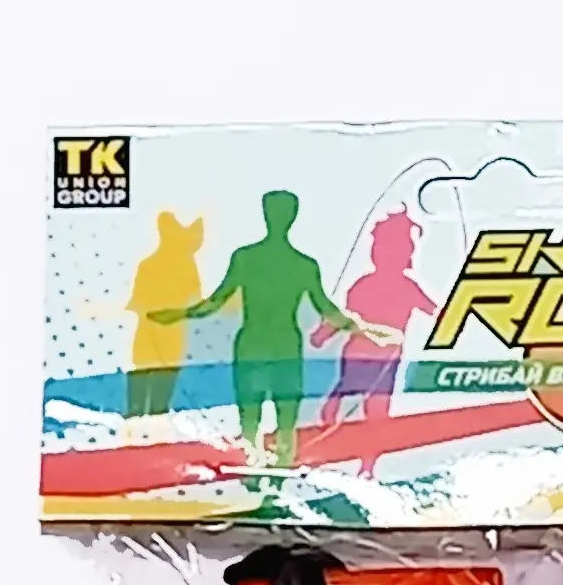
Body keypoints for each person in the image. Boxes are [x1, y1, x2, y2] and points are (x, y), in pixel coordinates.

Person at [151, 190, 386, 467]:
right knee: (273, 419)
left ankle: (263, 466)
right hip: (272, 348)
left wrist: (365, 330)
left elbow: (214, 303)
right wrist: (364, 330)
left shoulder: (256, 259)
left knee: (267, 419)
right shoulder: (296, 264)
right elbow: (327, 311)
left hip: (265, 348)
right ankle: (266, 466)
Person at [312, 209, 437, 474]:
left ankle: (367, 467)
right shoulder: (362, 285)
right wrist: (323, 333)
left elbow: (435, 311)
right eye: (381, 247)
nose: (386, 254)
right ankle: (324, 446)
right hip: (357, 355)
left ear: (407, 253)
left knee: (377, 413)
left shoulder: (408, 287)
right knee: (336, 404)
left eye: (396, 249)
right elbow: (345, 317)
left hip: (386, 361)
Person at [126, 212, 204, 422]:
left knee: (140, 397)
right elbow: (195, 300)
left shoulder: (149, 265)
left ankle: (136, 426)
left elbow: (137, 302)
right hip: (169, 337)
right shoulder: (185, 266)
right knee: (158, 402)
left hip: (151, 336)